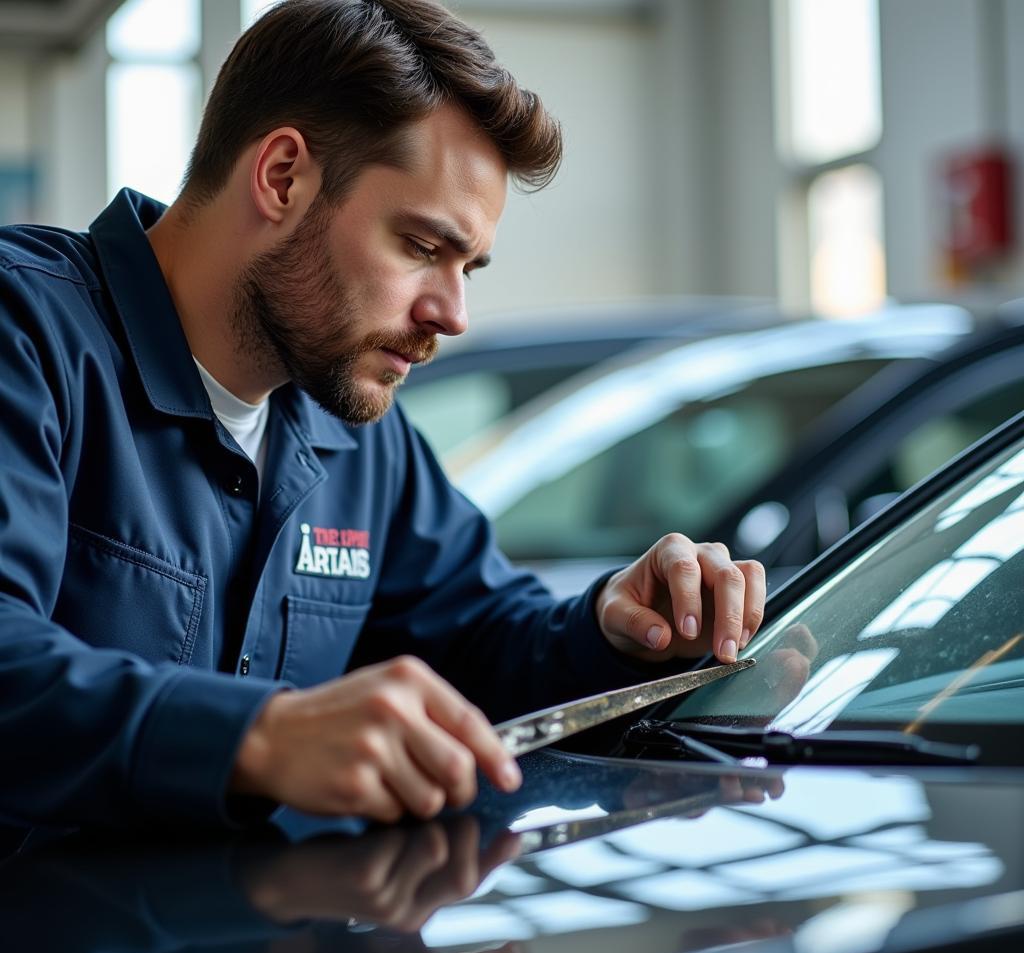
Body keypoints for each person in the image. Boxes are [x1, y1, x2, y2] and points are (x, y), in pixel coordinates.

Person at [0, 0, 765, 828]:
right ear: (282, 177)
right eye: (423, 247)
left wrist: (614, 627)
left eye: (470, 264)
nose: (453, 312)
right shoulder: (26, 333)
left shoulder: (355, 431)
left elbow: (478, 638)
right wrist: (259, 736)